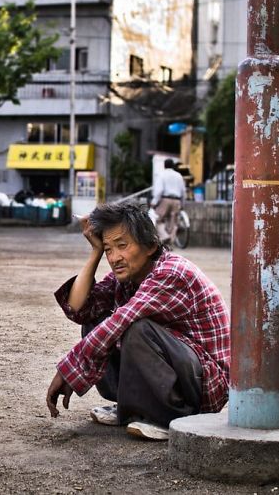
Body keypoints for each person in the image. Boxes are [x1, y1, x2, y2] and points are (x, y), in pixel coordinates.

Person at [45, 201, 230, 440]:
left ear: (151, 246)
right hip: (180, 368)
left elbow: (121, 321)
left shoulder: (171, 273)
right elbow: (80, 308)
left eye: (122, 246)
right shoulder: (127, 276)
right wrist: (96, 252)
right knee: (96, 317)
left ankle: (168, 416)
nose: (115, 257)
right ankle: (132, 408)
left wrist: (68, 372)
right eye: (109, 249)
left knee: (136, 328)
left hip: (204, 385)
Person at [151, 159, 187, 245]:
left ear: (164, 165)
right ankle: (171, 242)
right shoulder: (179, 176)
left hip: (165, 199)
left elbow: (159, 191)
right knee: (173, 221)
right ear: (173, 166)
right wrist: (182, 204)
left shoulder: (162, 175)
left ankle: (164, 236)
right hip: (177, 200)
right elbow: (183, 191)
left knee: (158, 219)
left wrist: (154, 201)